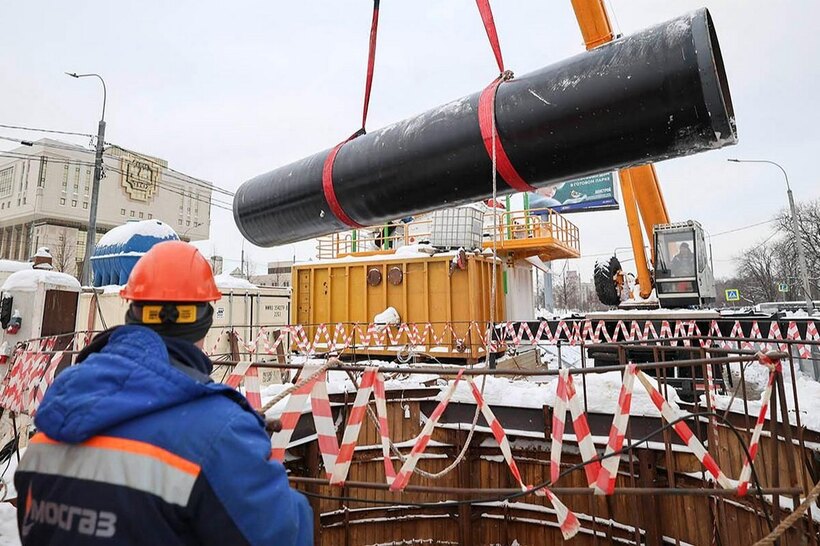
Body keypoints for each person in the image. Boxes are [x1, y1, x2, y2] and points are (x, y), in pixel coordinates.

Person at [14, 241, 312, 545]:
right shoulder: (220, 433)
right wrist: (243, 449)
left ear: (131, 313)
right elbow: (285, 534)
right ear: (205, 323)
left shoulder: (59, 410)